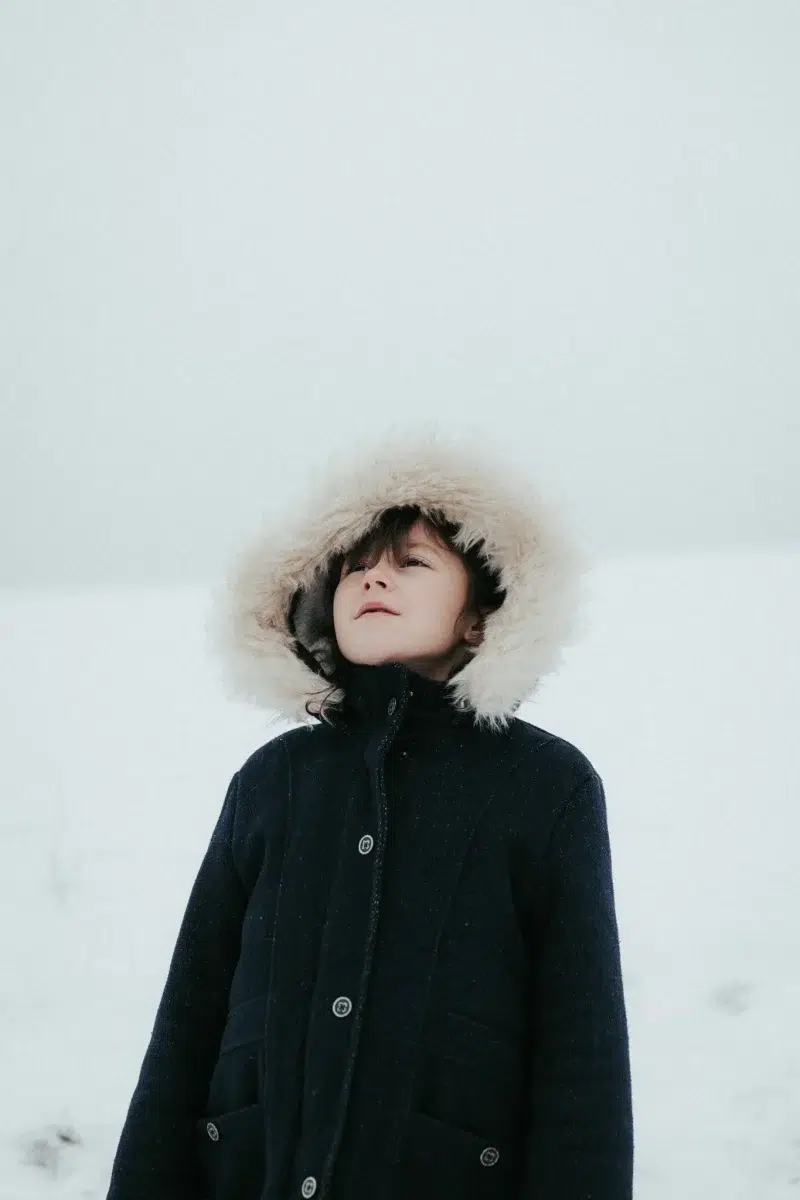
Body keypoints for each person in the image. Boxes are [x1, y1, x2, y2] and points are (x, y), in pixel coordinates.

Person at [105, 426, 634, 1200]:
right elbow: (187, 1021)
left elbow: (581, 1054)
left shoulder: (545, 785)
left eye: (411, 563)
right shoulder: (272, 781)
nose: (371, 582)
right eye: (353, 569)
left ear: (480, 617)